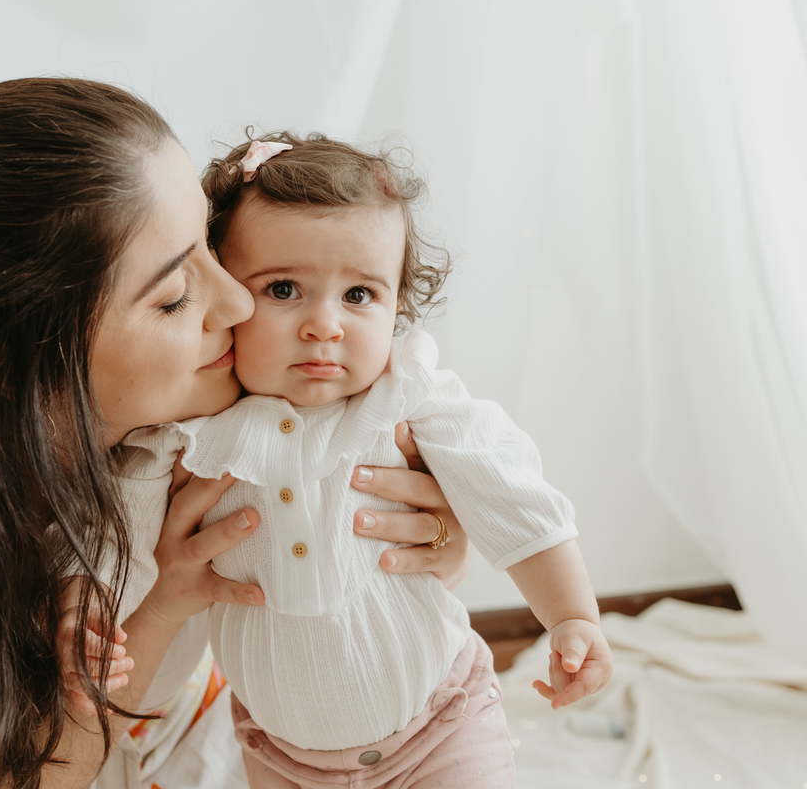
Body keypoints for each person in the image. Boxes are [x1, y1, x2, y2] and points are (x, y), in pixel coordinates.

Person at [0, 78, 474, 789]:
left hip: (208, 747)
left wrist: (441, 539)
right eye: (176, 296)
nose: (241, 305)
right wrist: (162, 606)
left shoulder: (210, 412)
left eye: (213, 250)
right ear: (22, 366)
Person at [108, 134, 615, 788]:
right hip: (281, 755)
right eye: (285, 289)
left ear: (398, 306)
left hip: (440, 725)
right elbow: (121, 550)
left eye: (358, 296)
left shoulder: (407, 399)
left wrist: (572, 616)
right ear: (225, 291)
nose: (326, 325)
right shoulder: (193, 434)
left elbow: (513, 495)